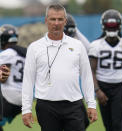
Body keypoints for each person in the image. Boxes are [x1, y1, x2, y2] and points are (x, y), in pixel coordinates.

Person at [21, 2, 97, 131]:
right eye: (53, 19)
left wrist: (91, 104)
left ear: (65, 21)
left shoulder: (78, 46)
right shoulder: (34, 48)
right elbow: (28, 80)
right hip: (46, 106)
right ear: (46, 21)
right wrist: (26, 109)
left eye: (60, 19)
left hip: (74, 105)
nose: (56, 23)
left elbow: (86, 77)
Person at [88, 9, 122, 131]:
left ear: (120, 25)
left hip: (120, 86)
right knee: (108, 125)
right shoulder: (95, 45)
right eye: (109, 25)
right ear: (103, 25)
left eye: (114, 25)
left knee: (118, 124)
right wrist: (97, 90)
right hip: (102, 85)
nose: (112, 28)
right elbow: (92, 70)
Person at [63, 13, 90, 129]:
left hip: (72, 92)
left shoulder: (74, 43)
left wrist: (75, 29)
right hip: (58, 92)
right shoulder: (51, 43)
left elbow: (89, 48)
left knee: (83, 122)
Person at [0, 24, 26, 131]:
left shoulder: (6, 54)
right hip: (23, 100)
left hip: (9, 97)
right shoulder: (25, 53)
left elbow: (3, 77)